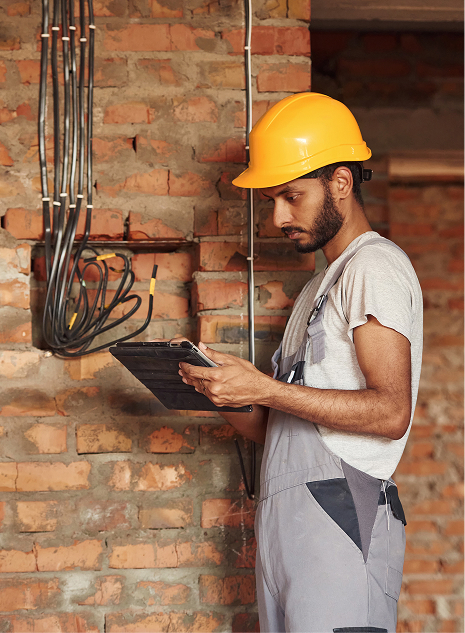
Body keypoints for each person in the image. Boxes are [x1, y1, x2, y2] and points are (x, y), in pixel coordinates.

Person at [178, 92, 423, 633]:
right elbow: (283, 427)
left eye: (291, 196)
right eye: (272, 200)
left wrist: (265, 388)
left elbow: (389, 412)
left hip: (342, 520)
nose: (278, 217)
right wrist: (223, 390)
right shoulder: (320, 285)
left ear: (341, 181)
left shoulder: (374, 267)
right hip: (292, 523)